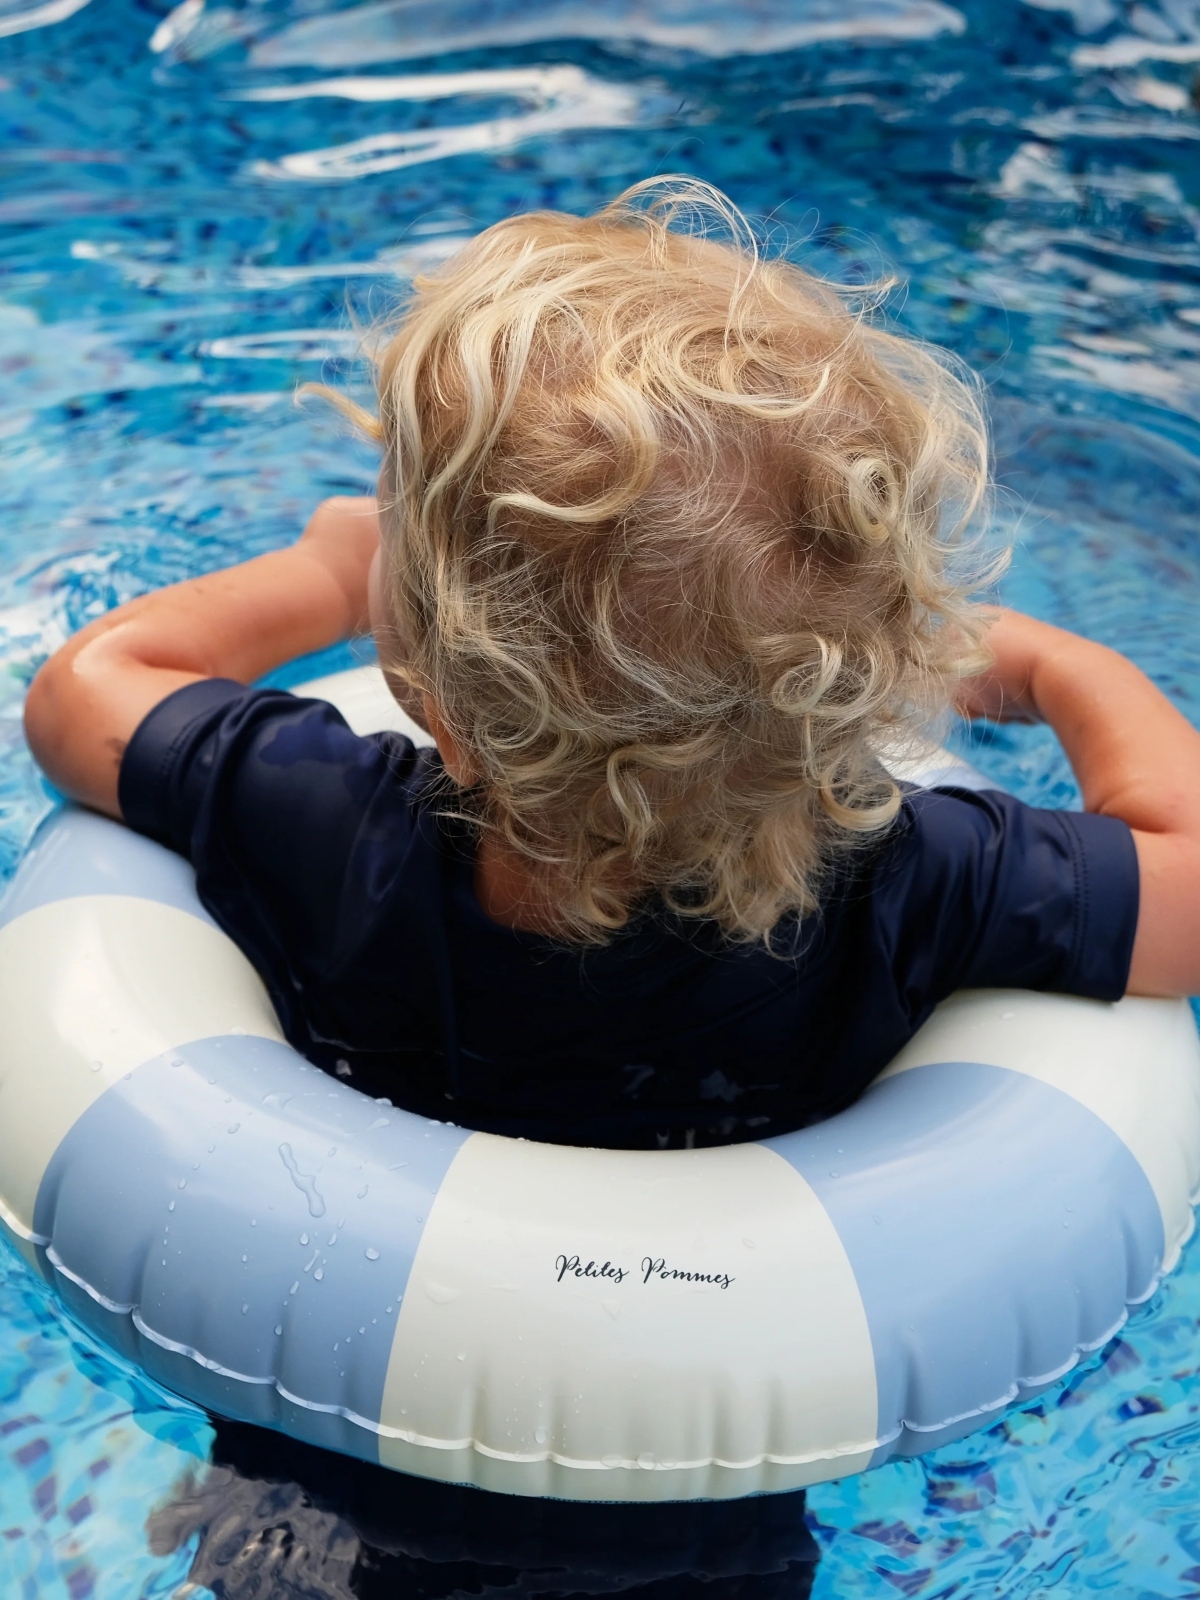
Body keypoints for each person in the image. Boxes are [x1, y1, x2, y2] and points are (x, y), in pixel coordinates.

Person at [23, 179, 1200, 1150]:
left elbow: (82, 692)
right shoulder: (919, 887)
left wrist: (326, 577)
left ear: (444, 709)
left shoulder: (321, 826)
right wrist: (1054, 667)